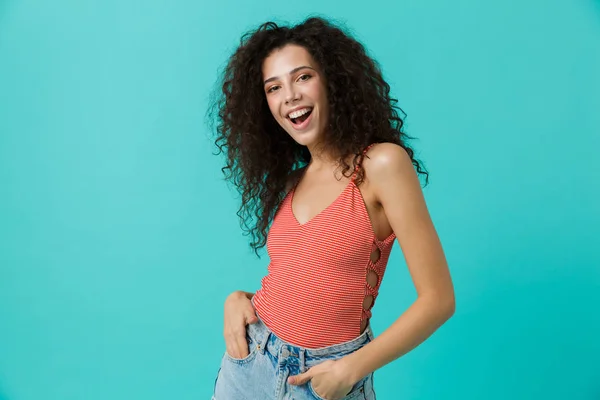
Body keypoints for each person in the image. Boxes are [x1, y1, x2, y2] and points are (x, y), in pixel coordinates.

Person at [208, 16, 455, 400]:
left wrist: (352, 368)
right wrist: (235, 299)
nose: (289, 95)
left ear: (333, 81)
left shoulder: (381, 166)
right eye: (274, 87)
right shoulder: (292, 182)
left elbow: (438, 300)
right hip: (250, 363)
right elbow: (295, 275)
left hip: (325, 378)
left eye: (303, 77)